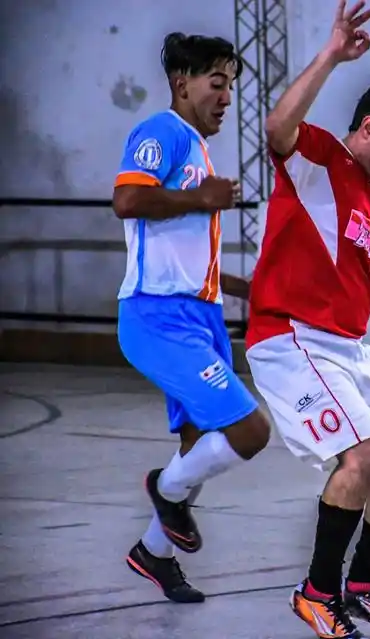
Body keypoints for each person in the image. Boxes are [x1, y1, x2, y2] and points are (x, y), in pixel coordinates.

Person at [245, 2, 370, 637]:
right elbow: (276, 128)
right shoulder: (320, 156)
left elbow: (337, 259)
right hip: (290, 337)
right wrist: (331, 54)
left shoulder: (367, 198)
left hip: (348, 346)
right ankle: (316, 594)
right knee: (365, 455)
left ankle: (364, 586)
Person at [112, 32, 272, 604]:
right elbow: (128, 201)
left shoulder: (197, 149)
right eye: (217, 82)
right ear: (182, 83)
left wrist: (240, 288)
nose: (226, 96)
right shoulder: (161, 131)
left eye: (230, 84)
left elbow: (183, 251)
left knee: (197, 441)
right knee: (250, 431)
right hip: (158, 316)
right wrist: (201, 200)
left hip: (198, 312)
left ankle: (154, 553)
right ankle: (164, 490)